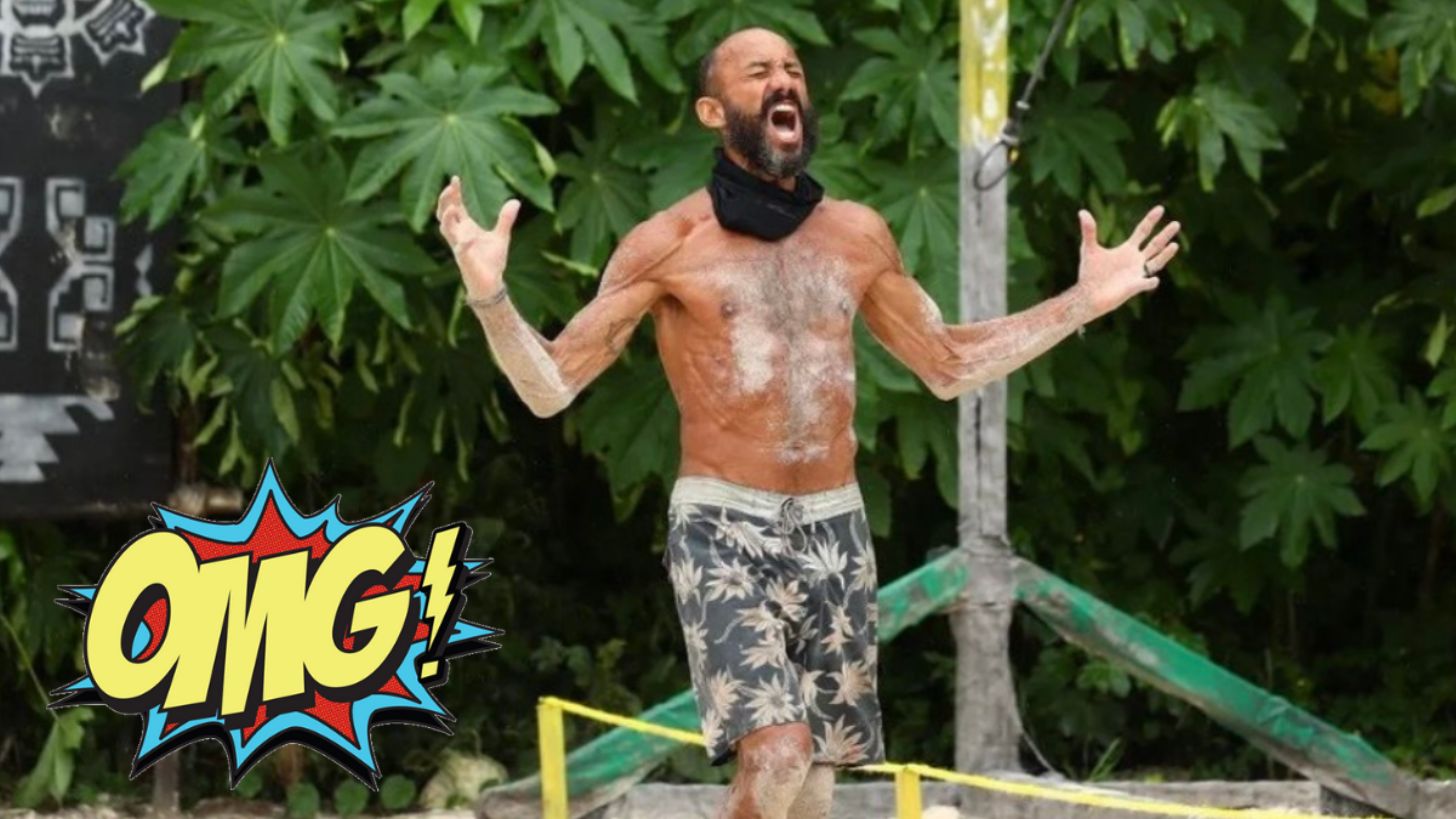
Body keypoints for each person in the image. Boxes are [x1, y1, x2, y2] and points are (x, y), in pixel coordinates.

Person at [436, 26, 1180, 819]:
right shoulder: (669, 243)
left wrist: (1081, 303)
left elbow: (948, 363)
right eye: (759, 72)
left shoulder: (856, 234)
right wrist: (490, 297)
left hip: (836, 527)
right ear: (713, 112)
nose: (784, 81)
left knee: (816, 782)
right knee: (780, 750)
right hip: (723, 525)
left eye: (792, 69)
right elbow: (551, 386)